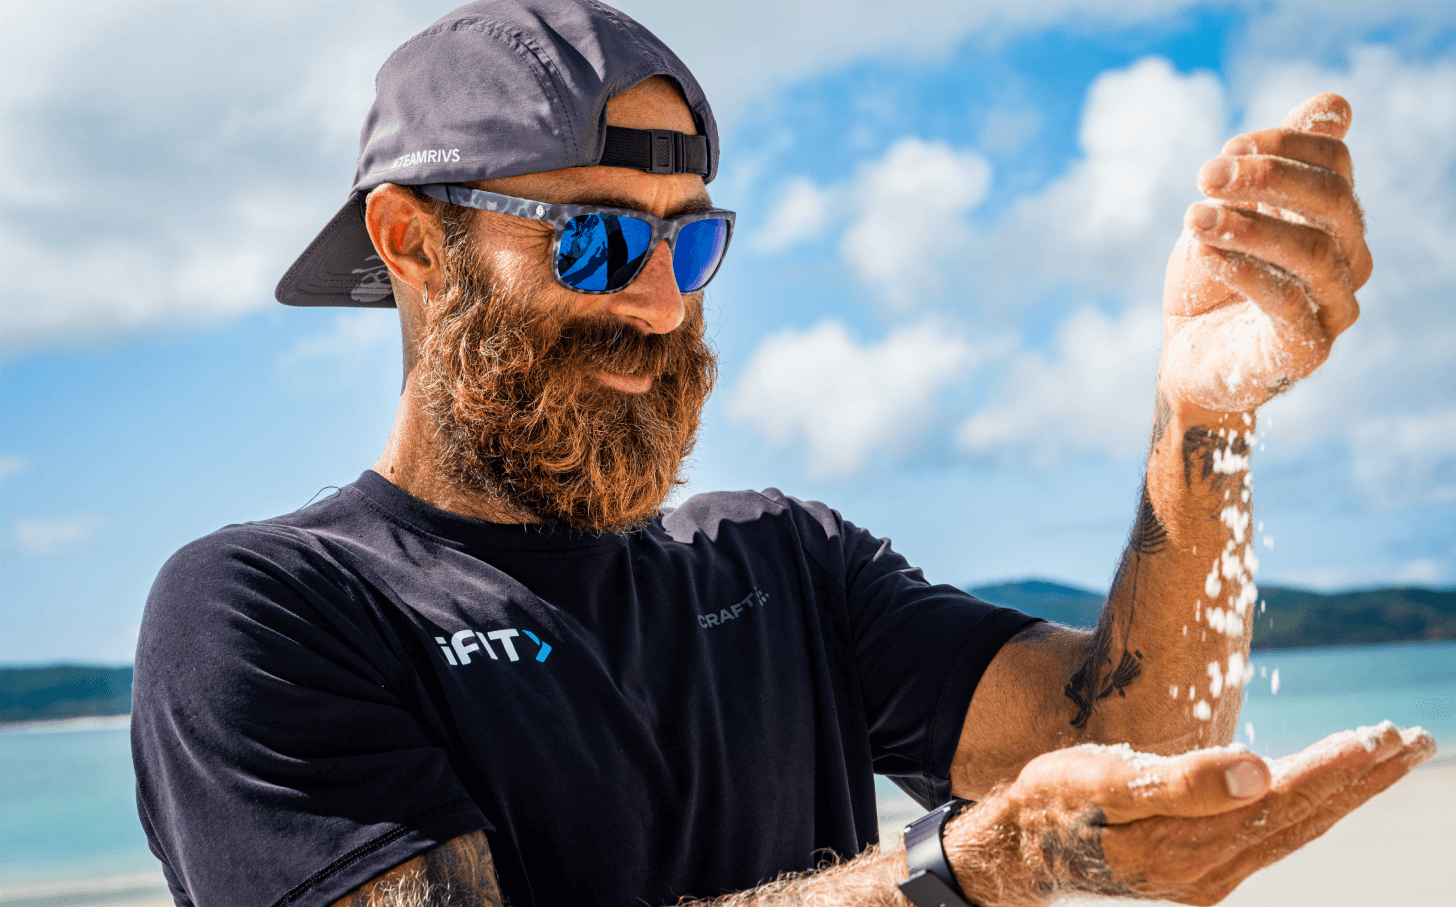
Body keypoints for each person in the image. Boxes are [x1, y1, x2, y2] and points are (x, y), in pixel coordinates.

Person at [130, 2, 1435, 906]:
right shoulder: (266, 610)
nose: (658, 300)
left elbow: (1136, 732)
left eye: (689, 241)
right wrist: (962, 869)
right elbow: (1004, 849)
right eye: (591, 241)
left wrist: (1202, 411)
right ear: (412, 242)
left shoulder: (779, 562)